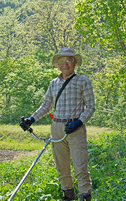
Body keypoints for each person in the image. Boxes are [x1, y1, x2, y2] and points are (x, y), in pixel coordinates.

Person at [20, 47, 95, 201]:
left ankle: (85, 196)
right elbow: (46, 106)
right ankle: (68, 194)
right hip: (57, 128)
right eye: (62, 60)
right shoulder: (53, 83)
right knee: (62, 166)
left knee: (80, 166)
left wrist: (79, 122)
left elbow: (90, 107)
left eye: (69, 60)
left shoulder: (83, 81)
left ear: (74, 63)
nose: (65, 63)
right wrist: (31, 119)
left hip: (75, 128)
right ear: (58, 64)